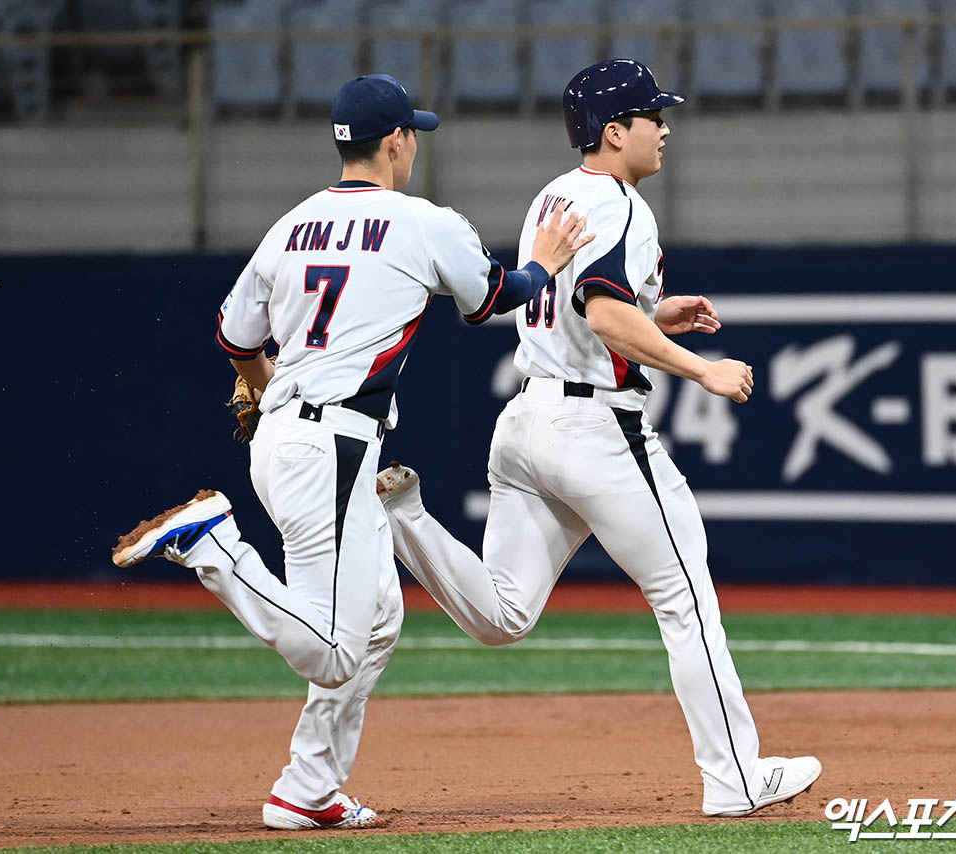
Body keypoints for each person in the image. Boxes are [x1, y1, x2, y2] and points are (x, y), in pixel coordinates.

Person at [111, 73, 593, 830]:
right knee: (335, 651)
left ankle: (307, 790)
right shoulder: (421, 221)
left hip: (295, 437)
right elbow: (493, 299)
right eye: (413, 136)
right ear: (397, 140)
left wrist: (266, 388)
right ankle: (214, 547)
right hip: (329, 447)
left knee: (377, 620)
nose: (413, 147)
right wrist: (544, 262)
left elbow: (236, 337)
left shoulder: (291, 224)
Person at [376, 60, 821, 817]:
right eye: (653, 116)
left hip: (525, 422)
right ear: (615, 133)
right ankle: (736, 779)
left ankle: (405, 518)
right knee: (684, 598)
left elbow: (566, 304)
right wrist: (698, 369)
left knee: (505, 615)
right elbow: (603, 312)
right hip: (595, 428)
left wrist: (656, 310)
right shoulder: (621, 202)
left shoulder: (553, 194)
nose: (665, 127)